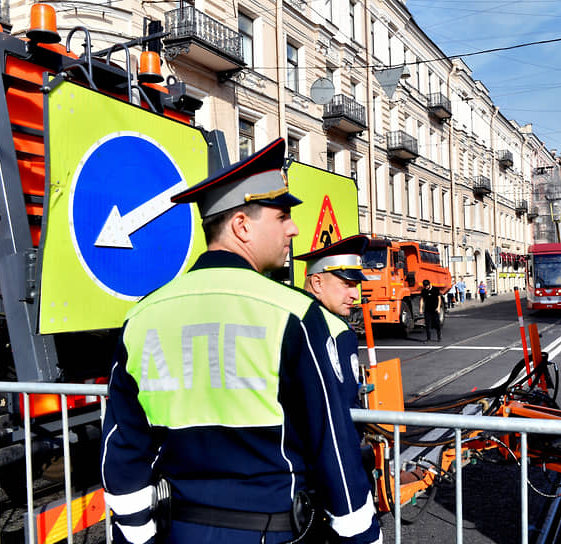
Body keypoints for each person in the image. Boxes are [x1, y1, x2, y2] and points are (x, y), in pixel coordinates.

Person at [100, 138, 381, 544]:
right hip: (272, 531)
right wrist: (359, 532)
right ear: (241, 225)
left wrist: (136, 533)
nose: (294, 228)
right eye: (282, 216)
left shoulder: (143, 315)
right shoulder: (294, 313)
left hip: (179, 530)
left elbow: (123, 440)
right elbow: (331, 442)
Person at [294, 234, 370, 410]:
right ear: (317, 283)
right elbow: (344, 401)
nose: (355, 295)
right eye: (347, 284)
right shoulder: (337, 330)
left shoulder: (285, 314)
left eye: (356, 286)